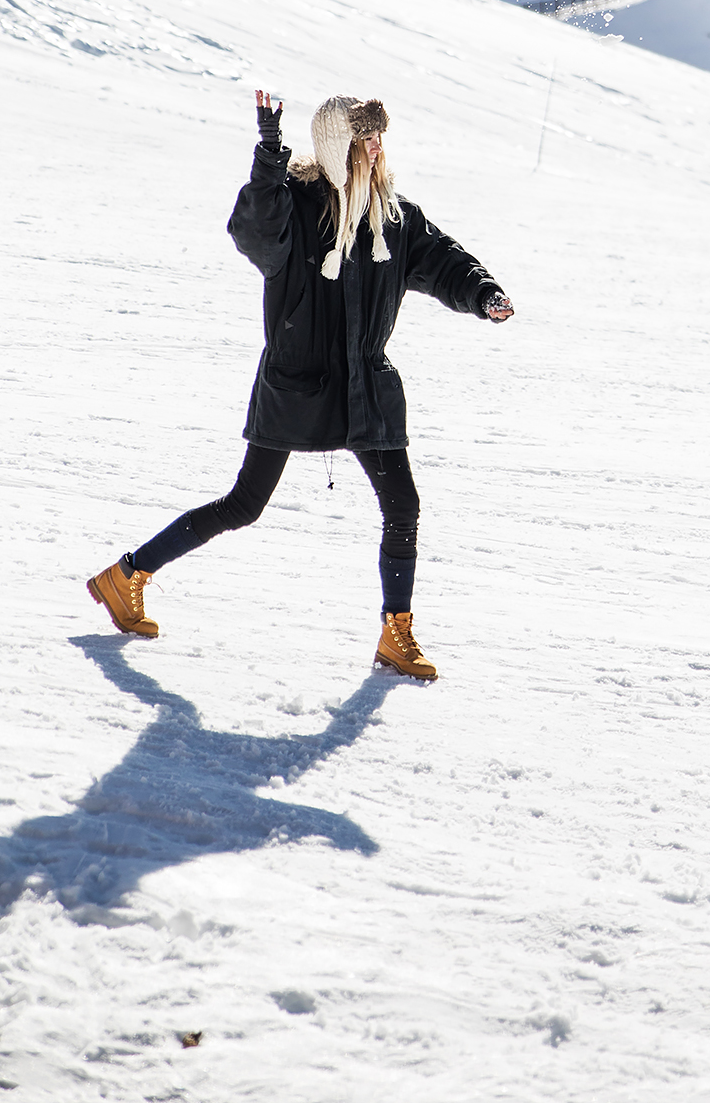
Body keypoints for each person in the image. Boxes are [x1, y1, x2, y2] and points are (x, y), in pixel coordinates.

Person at [88, 91, 513, 680]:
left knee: (403, 505)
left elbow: (442, 259)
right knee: (243, 505)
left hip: (365, 385)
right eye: (365, 141)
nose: (377, 149)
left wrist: (482, 291)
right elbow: (254, 228)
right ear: (340, 149)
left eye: (379, 139)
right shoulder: (294, 209)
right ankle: (127, 574)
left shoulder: (393, 215)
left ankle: (396, 632)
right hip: (297, 384)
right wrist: (268, 153)